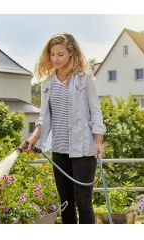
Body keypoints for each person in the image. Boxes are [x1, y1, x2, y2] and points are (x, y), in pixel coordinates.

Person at [25, 33, 106, 224]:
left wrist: (98, 142)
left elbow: (96, 112)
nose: (55, 59)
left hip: (84, 150)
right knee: (66, 203)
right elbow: (44, 118)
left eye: (60, 54)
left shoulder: (85, 79)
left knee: (83, 202)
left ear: (71, 53)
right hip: (59, 149)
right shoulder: (47, 83)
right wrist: (33, 138)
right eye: (52, 54)